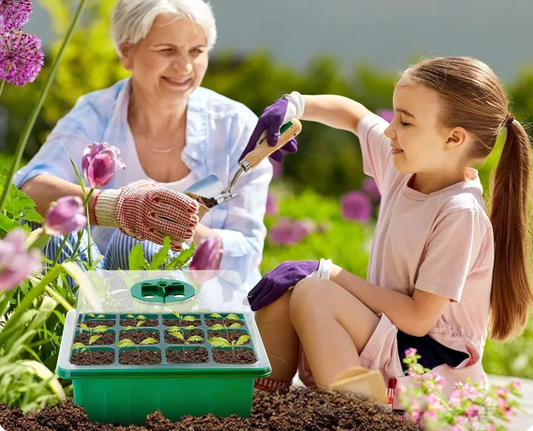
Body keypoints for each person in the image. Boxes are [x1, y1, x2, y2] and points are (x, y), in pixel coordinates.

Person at [242, 57, 533, 400]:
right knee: (285, 290)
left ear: (454, 139)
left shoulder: (460, 213)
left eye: (406, 122)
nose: (390, 129)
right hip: (392, 337)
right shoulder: (406, 167)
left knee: (312, 291)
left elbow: (417, 318)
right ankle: (263, 404)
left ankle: (355, 412)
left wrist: (329, 273)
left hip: (430, 373)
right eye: (395, 115)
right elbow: (352, 115)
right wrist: (294, 104)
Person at [15, 0, 282, 286]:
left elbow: (248, 251)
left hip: (203, 302)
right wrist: (116, 208)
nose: (184, 66)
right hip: (97, 286)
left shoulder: (234, 124)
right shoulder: (96, 112)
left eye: (196, 51)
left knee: (139, 244)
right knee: (45, 220)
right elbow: (30, 188)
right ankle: (89, 324)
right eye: (167, 50)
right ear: (126, 53)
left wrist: (176, 227)